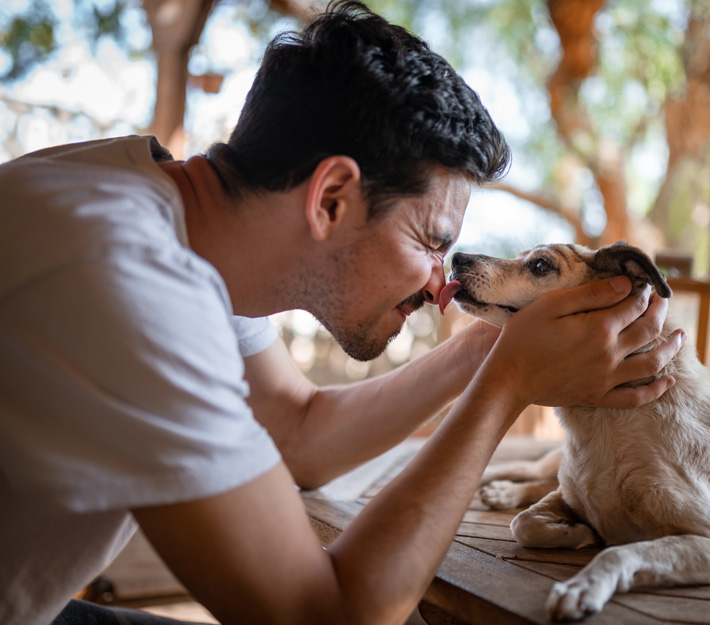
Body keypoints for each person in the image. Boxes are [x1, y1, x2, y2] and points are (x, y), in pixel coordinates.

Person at [0, 2, 684, 624]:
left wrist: (495, 343)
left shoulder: (163, 218)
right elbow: (326, 613)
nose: (438, 279)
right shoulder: (131, 280)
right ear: (332, 197)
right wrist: (507, 383)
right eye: (430, 241)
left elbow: (299, 433)